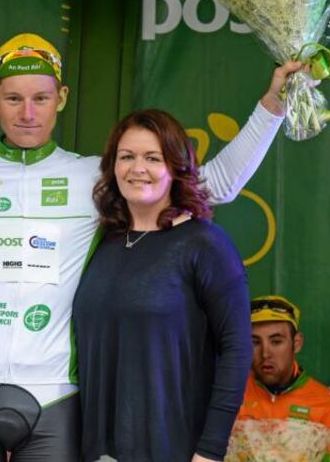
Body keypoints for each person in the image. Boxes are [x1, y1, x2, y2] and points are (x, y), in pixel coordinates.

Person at [0, 32, 301, 461]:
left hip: (57, 393)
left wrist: (274, 106)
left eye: (40, 98)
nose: (27, 113)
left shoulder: (96, 177)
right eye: (13, 99)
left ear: (61, 98)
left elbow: (216, 183)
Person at [74, 108, 251, 462]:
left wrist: (210, 450)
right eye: (127, 157)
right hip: (98, 451)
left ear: (176, 168)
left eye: (152, 158)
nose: (137, 168)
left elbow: (236, 349)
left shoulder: (204, 243)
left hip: (174, 447)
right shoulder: (99, 243)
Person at [232, 295, 330, 462]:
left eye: (276, 341)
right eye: (255, 342)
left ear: (297, 343)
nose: (265, 354)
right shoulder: (227, 395)